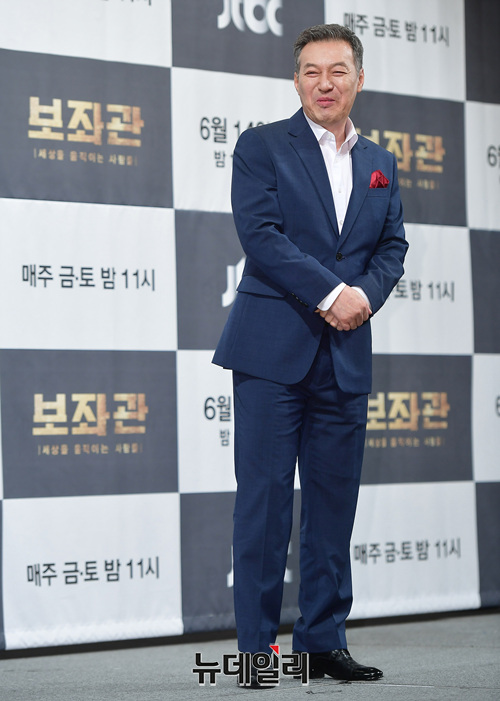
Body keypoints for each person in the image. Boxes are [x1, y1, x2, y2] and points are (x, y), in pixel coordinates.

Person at [213, 23, 408, 688]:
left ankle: (322, 642)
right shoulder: (262, 146)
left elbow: (392, 247)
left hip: (345, 353)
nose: (325, 83)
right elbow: (261, 235)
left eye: (338, 70)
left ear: (360, 79)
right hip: (271, 352)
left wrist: (364, 298)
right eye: (312, 71)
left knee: (332, 508)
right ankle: (256, 652)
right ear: (296, 80)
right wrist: (332, 294)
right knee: (264, 506)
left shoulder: (381, 160)